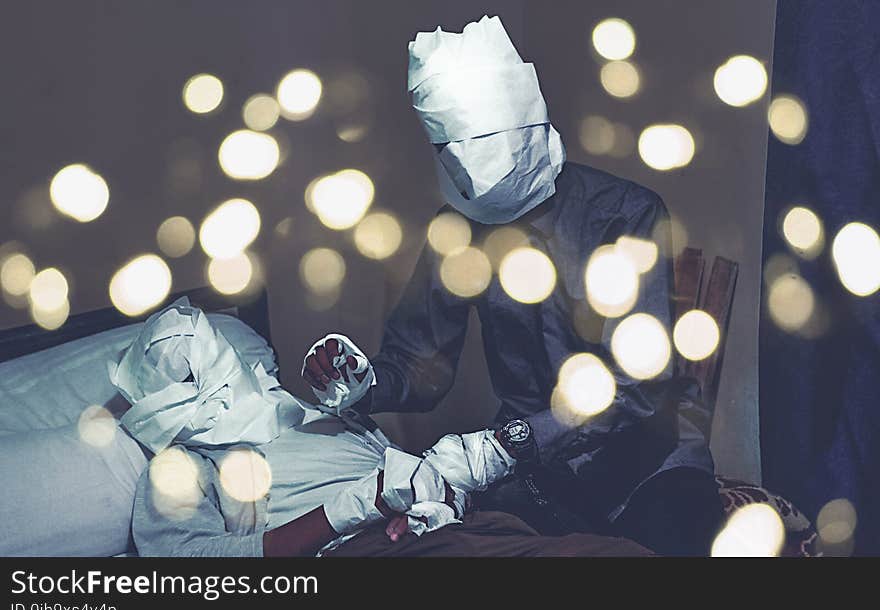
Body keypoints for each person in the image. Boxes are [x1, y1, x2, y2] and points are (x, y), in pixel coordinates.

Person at [303, 16, 723, 556]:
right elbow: (420, 363)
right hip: (536, 475)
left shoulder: (625, 216)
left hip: (647, 460)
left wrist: (509, 445)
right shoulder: (455, 231)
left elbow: (635, 389)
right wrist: (364, 381)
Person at [132, 408, 651, 557]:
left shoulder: (309, 415)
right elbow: (200, 573)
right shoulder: (179, 468)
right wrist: (354, 507)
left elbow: (410, 472)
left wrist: (443, 487)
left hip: (454, 525)